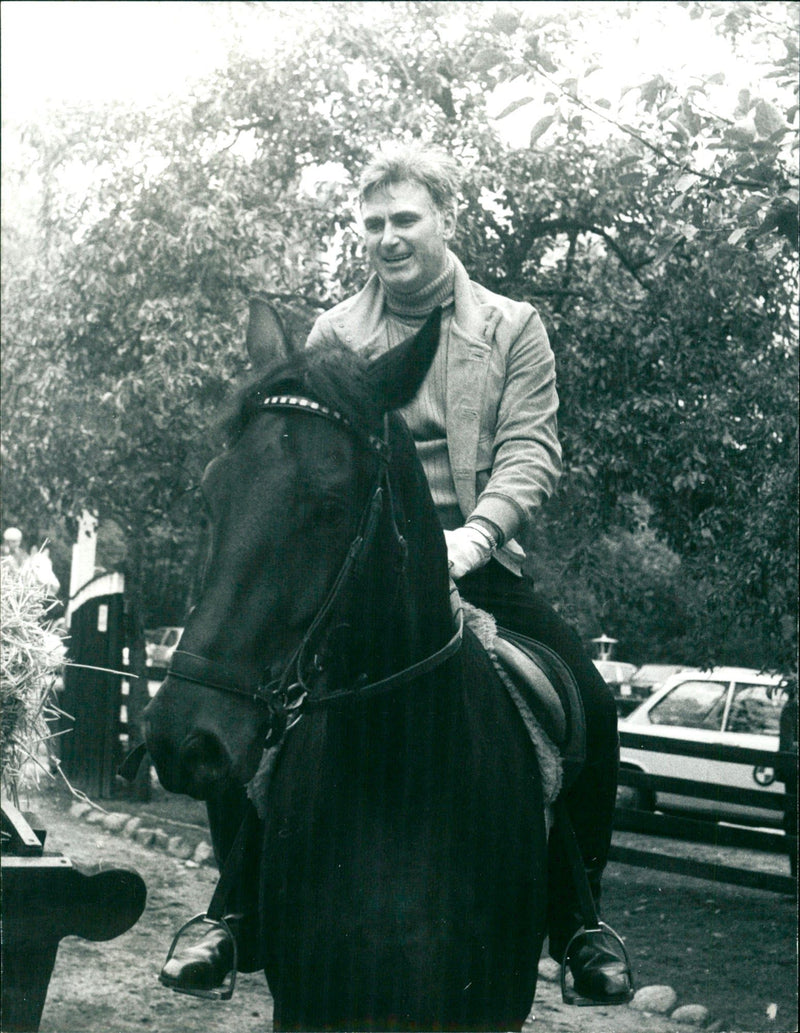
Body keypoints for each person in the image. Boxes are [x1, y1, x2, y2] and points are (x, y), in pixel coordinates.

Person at [164, 143, 631, 1004]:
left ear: (446, 221)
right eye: (372, 223)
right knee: (252, 692)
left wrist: (477, 537)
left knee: (588, 697)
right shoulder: (334, 334)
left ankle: (578, 918)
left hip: (475, 564)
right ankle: (234, 910)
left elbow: (531, 450)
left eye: (404, 218)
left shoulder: (512, 328)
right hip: (360, 575)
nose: (386, 237)